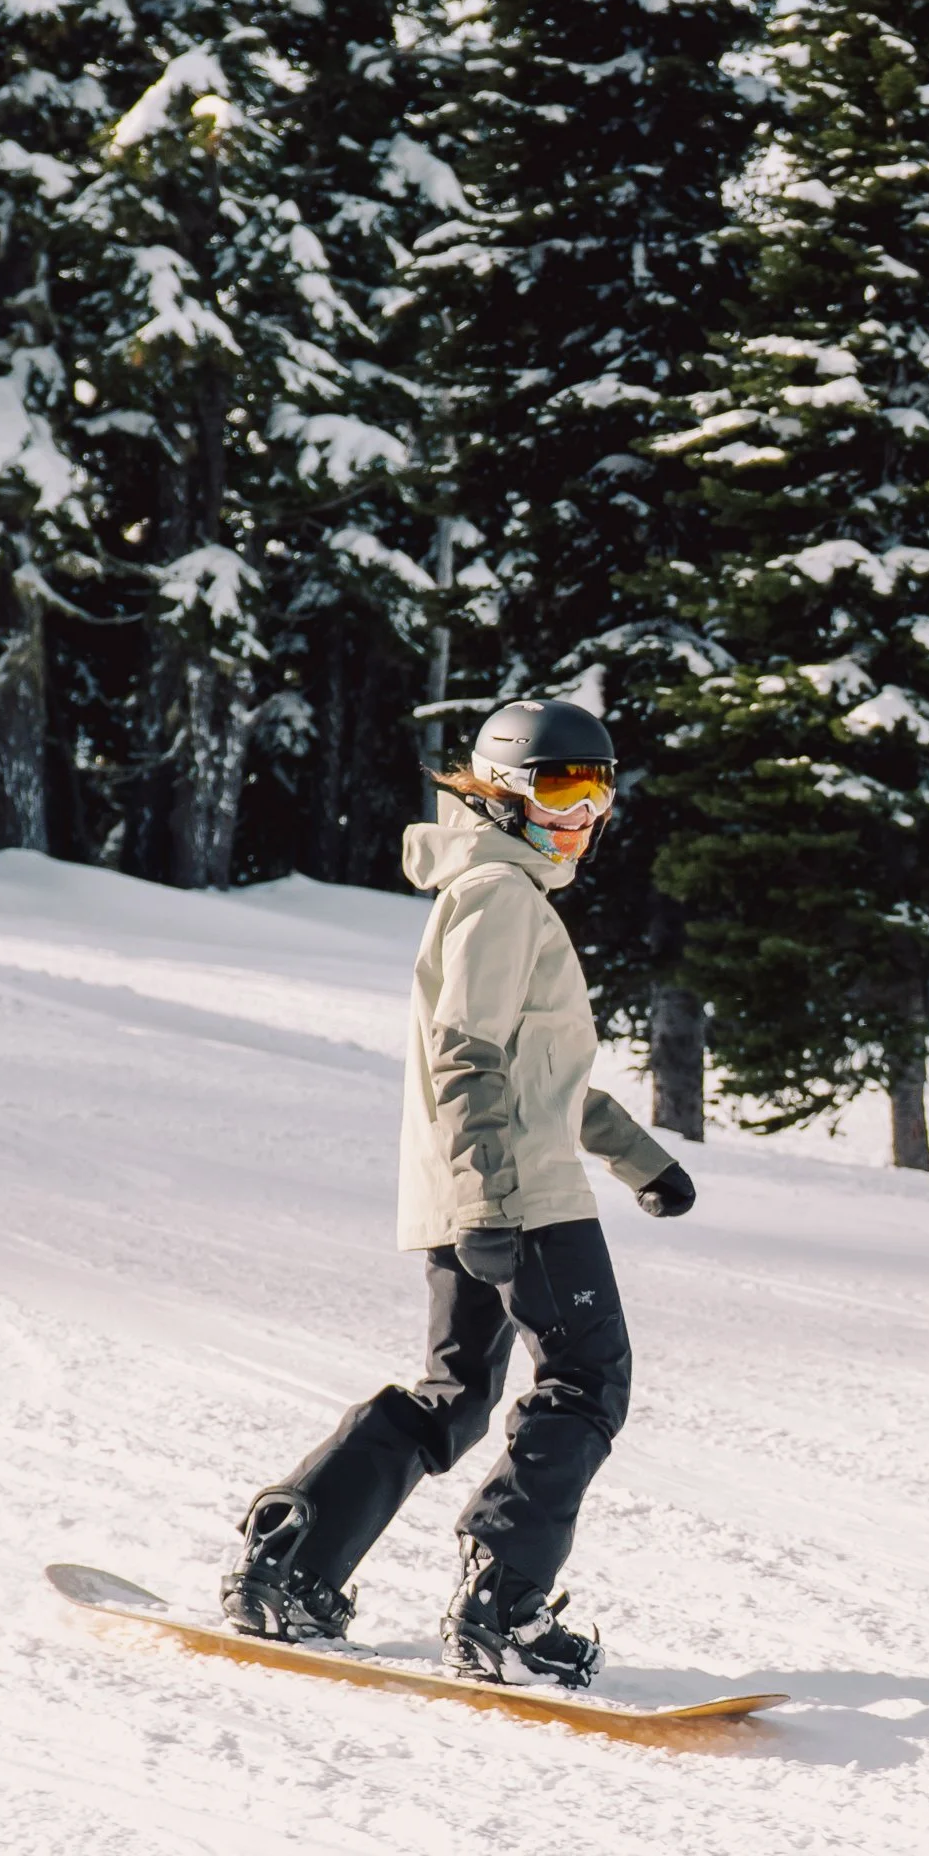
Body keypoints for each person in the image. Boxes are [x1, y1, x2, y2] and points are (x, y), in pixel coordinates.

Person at [220, 698, 696, 1688]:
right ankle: (503, 1611)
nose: (583, 815)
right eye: (562, 788)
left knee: (456, 1394)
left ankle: (296, 1563)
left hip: (486, 1183)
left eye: (597, 791)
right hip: (515, 1193)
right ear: (507, 789)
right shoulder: (500, 895)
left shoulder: (498, 890)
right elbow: (468, 1057)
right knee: (586, 1379)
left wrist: (641, 1158)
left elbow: (544, 1077)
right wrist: (487, 1199)